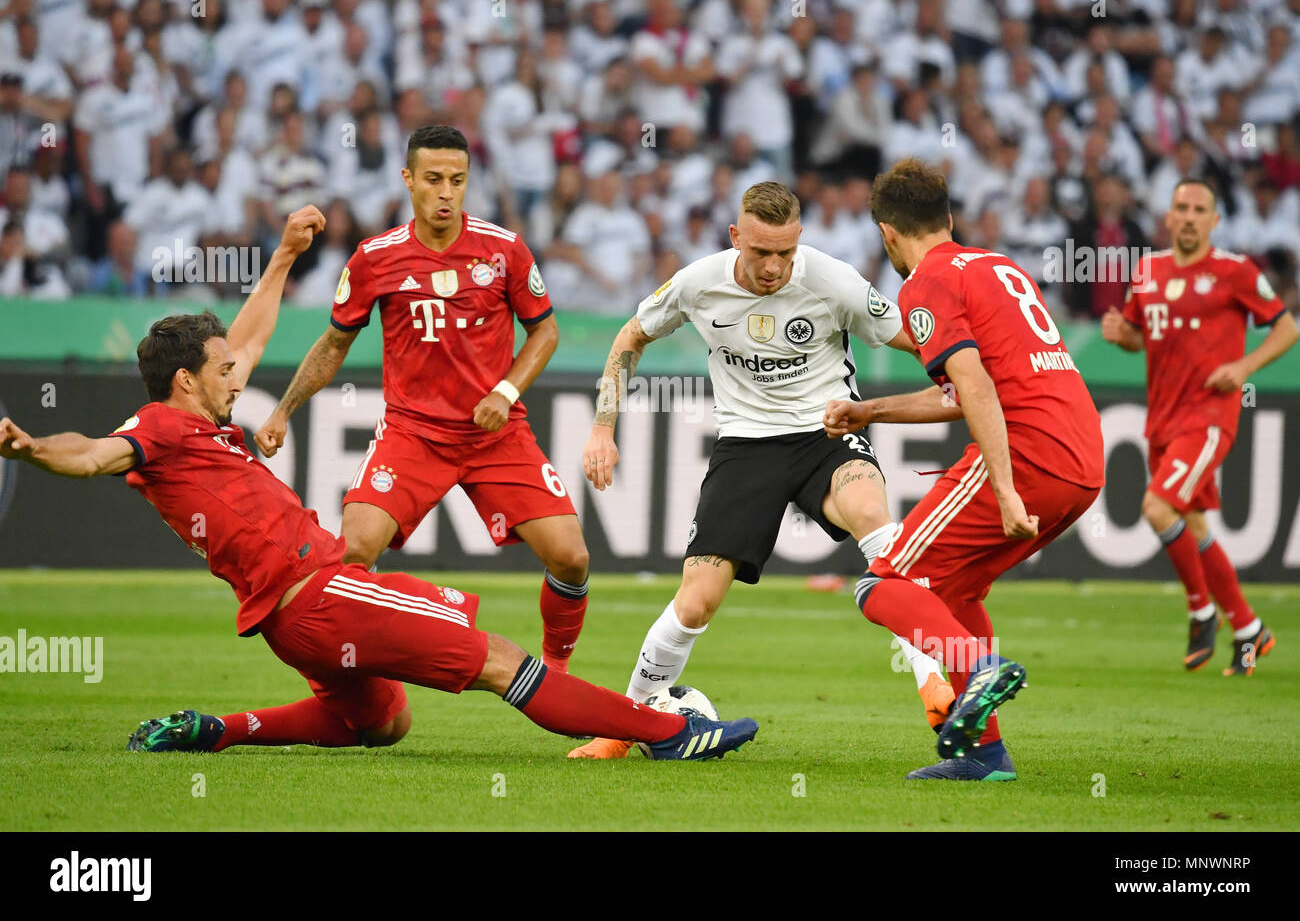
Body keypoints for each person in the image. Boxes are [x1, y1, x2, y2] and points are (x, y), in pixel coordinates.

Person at [0, 207, 757, 762]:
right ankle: (668, 733)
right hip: (319, 591)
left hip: (287, 625)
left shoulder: (206, 418)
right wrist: (33, 449)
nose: (242, 372)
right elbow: (93, 454)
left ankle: (215, 731)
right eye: (225, 367)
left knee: (382, 722)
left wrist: (283, 258)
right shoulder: (158, 430)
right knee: (498, 659)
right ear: (185, 380)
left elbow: (254, 334)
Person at [570, 180, 954, 760]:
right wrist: (603, 426)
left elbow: (919, 341)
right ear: (735, 239)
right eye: (760, 253)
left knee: (875, 521)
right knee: (697, 599)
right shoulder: (700, 283)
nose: (773, 267)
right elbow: (630, 338)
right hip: (746, 446)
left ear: (799, 240)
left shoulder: (834, 281)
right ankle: (624, 728)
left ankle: (934, 682)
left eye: (785, 253)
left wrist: (974, 367)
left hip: (826, 432)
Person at [254, 125, 593, 673]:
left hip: (495, 435)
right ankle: (361, 673)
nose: (445, 192)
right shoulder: (375, 258)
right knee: (353, 554)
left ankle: (555, 670)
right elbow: (334, 343)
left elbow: (546, 332)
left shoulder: (504, 249)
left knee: (572, 558)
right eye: (433, 179)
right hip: (413, 436)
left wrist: (505, 392)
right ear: (408, 179)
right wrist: (281, 411)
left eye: (457, 181)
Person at [828, 158, 1106, 781]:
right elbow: (961, 392)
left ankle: (981, 668)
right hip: (1083, 459)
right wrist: (867, 411)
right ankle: (984, 754)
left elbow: (975, 387)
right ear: (949, 219)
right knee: (955, 593)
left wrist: (1005, 489)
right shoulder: (999, 267)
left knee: (882, 587)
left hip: (1029, 453)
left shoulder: (924, 283)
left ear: (886, 234)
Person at [1101, 179, 1297, 675]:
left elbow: (1287, 327)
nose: (1188, 216)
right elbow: (1137, 338)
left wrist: (1245, 367)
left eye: (1199, 209)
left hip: (1208, 418)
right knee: (1193, 524)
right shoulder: (1147, 271)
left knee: (1156, 506)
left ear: (1215, 220)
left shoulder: (1235, 271)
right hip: (1162, 419)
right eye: (1180, 208)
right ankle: (1251, 629)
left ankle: (1200, 610)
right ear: (1168, 217)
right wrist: (1121, 335)